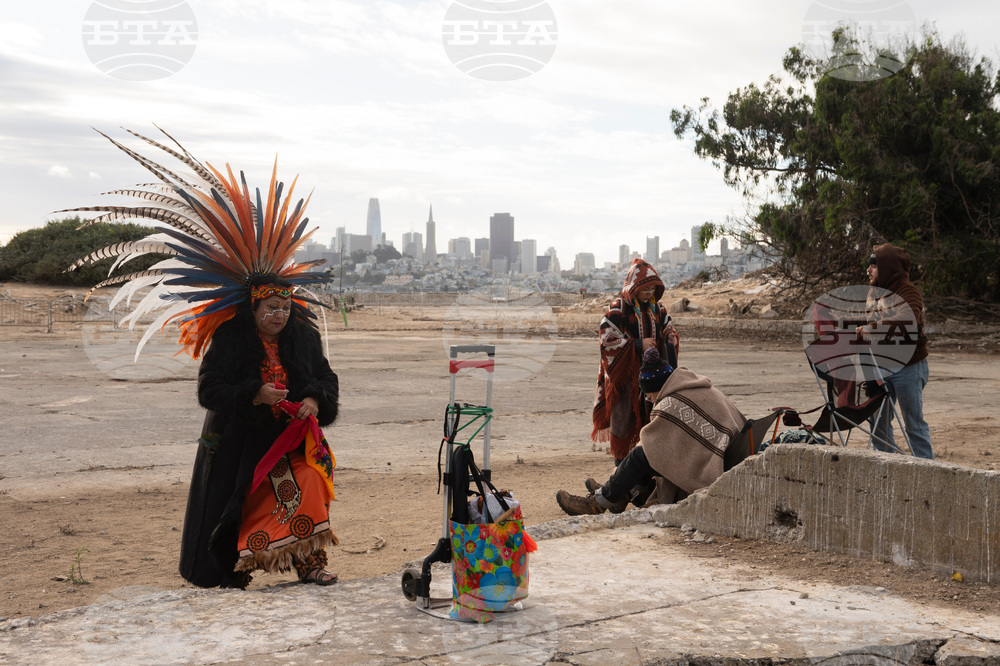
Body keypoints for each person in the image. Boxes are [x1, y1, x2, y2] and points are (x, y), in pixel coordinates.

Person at [180, 276, 341, 588]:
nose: (279, 315)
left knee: (309, 479)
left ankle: (310, 562)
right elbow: (208, 388)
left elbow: (326, 377)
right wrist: (253, 394)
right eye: (271, 307)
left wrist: (314, 398)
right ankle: (234, 570)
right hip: (240, 444)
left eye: (285, 307)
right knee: (238, 503)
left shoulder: (304, 338)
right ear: (252, 308)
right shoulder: (230, 339)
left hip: (290, 439)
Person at [559, 347, 745, 515]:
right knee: (651, 450)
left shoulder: (671, 403)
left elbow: (650, 447)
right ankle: (619, 493)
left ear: (656, 387)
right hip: (731, 450)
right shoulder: (694, 386)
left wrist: (626, 467)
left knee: (643, 454)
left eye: (648, 395)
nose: (649, 399)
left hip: (718, 464)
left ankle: (598, 503)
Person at [589, 258, 679, 501]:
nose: (649, 293)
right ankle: (620, 477)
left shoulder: (658, 309)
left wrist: (669, 336)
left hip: (651, 381)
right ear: (633, 287)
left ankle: (640, 482)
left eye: (652, 289)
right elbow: (606, 339)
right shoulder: (617, 309)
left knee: (650, 424)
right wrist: (637, 345)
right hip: (625, 381)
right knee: (624, 422)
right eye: (645, 289)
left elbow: (668, 327)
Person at [856, 244, 933, 459]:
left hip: (908, 367)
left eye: (873, 266)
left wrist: (872, 329)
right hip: (880, 367)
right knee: (878, 423)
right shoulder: (873, 293)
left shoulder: (909, 291)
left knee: (913, 425)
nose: (868, 271)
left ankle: (929, 472)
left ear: (888, 268)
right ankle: (887, 468)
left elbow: (907, 319)